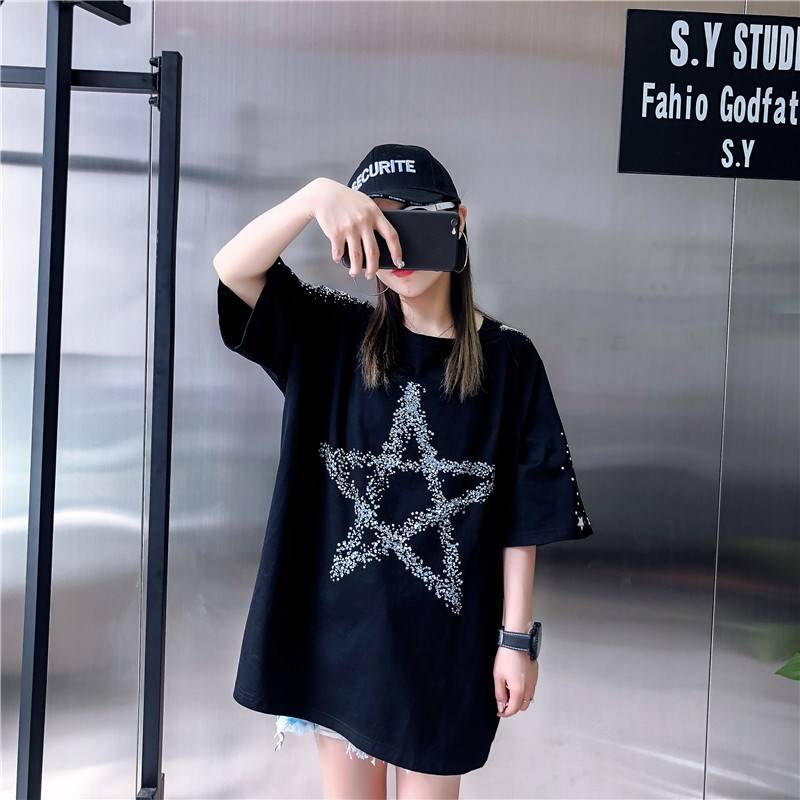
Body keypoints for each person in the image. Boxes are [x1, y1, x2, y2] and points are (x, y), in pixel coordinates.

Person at [214, 143, 594, 799]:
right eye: (380, 228)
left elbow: (523, 513)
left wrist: (515, 640)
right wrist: (314, 197)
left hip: (447, 647)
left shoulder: (509, 361)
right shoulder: (329, 334)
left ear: (458, 221)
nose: (400, 247)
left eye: (415, 220)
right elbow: (233, 270)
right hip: (341, 642)